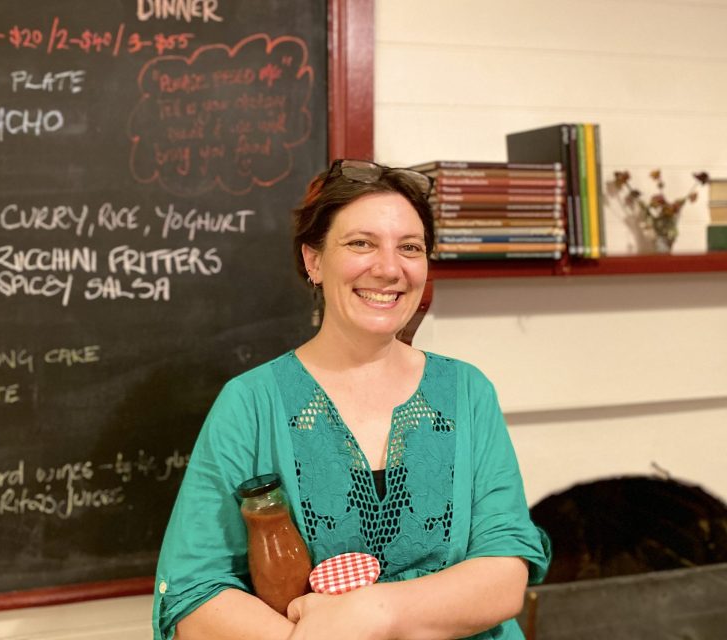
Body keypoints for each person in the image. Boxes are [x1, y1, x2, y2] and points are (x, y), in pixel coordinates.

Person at [152, 159, 551, 640]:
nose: (388, 268)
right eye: (361, 243)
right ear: (314, 261)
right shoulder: (250, 404)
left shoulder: (467, 392)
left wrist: (371, 613)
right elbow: (195, 593)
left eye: (410, 247)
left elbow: (505, 574)